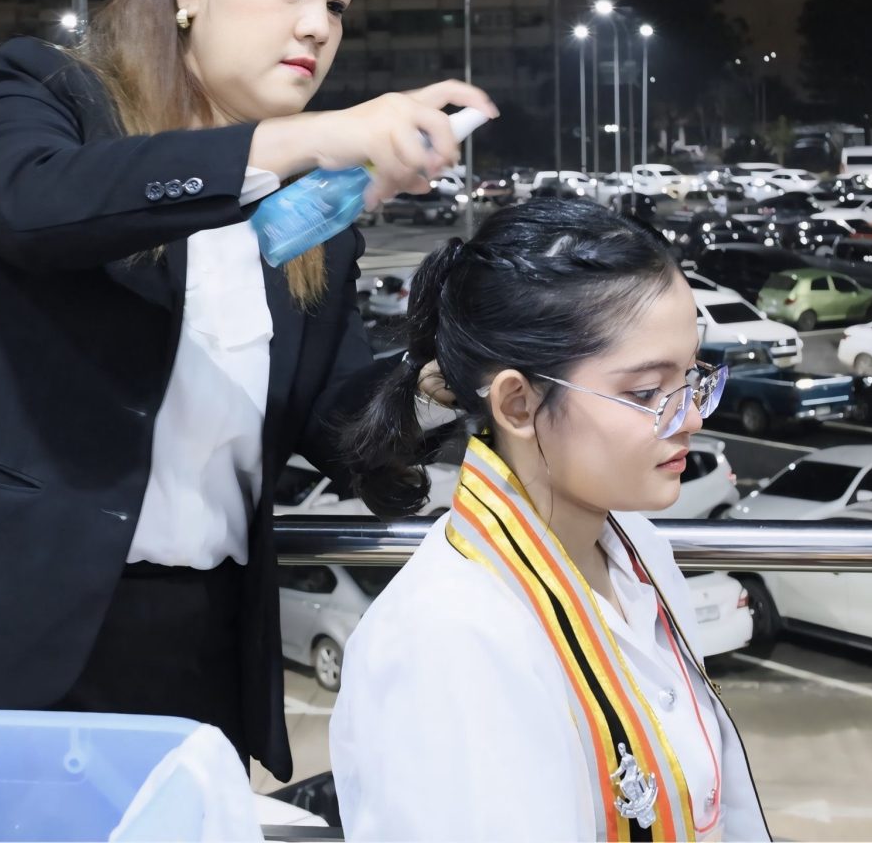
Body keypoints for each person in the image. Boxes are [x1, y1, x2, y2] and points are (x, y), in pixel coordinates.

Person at [0, 0, 497, 781]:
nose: (317, 25)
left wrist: (452, 378)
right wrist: (307, 138)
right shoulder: (51, 96)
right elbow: (33, 207)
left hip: (191, 650)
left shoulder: (316, 229)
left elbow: (338, 423)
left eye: (337, 3)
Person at [330, 198, 770, 840]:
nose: (693, 416)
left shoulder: (635, 548)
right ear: (517, 403)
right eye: (646, 392)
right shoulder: (448, 642)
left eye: (693, 375)